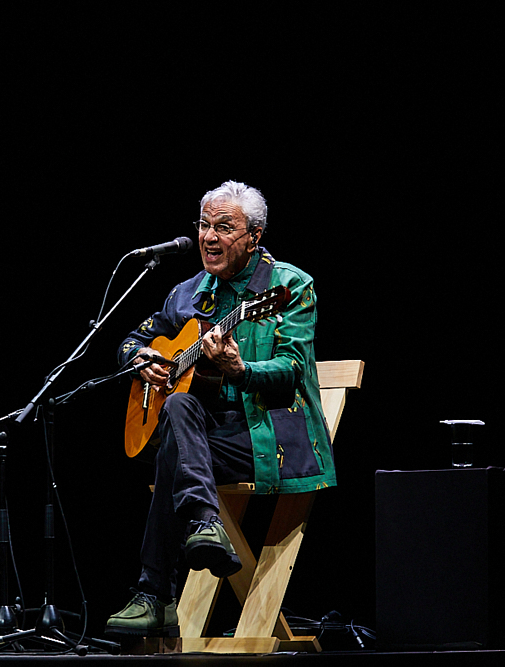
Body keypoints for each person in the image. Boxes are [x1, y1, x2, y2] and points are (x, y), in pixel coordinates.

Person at [105, 181, 336, 637]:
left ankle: (154, 594)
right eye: (204, 225)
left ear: (255, 236)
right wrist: (141, 360)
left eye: (224, 228)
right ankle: (203, 524)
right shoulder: (187, 293)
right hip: (208, 441)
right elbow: (131, 339)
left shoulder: (288, 286)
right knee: (180, 406)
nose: (209, 237)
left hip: (270, 439)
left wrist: (240, 369)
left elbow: (291, 370)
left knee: (175, 438)